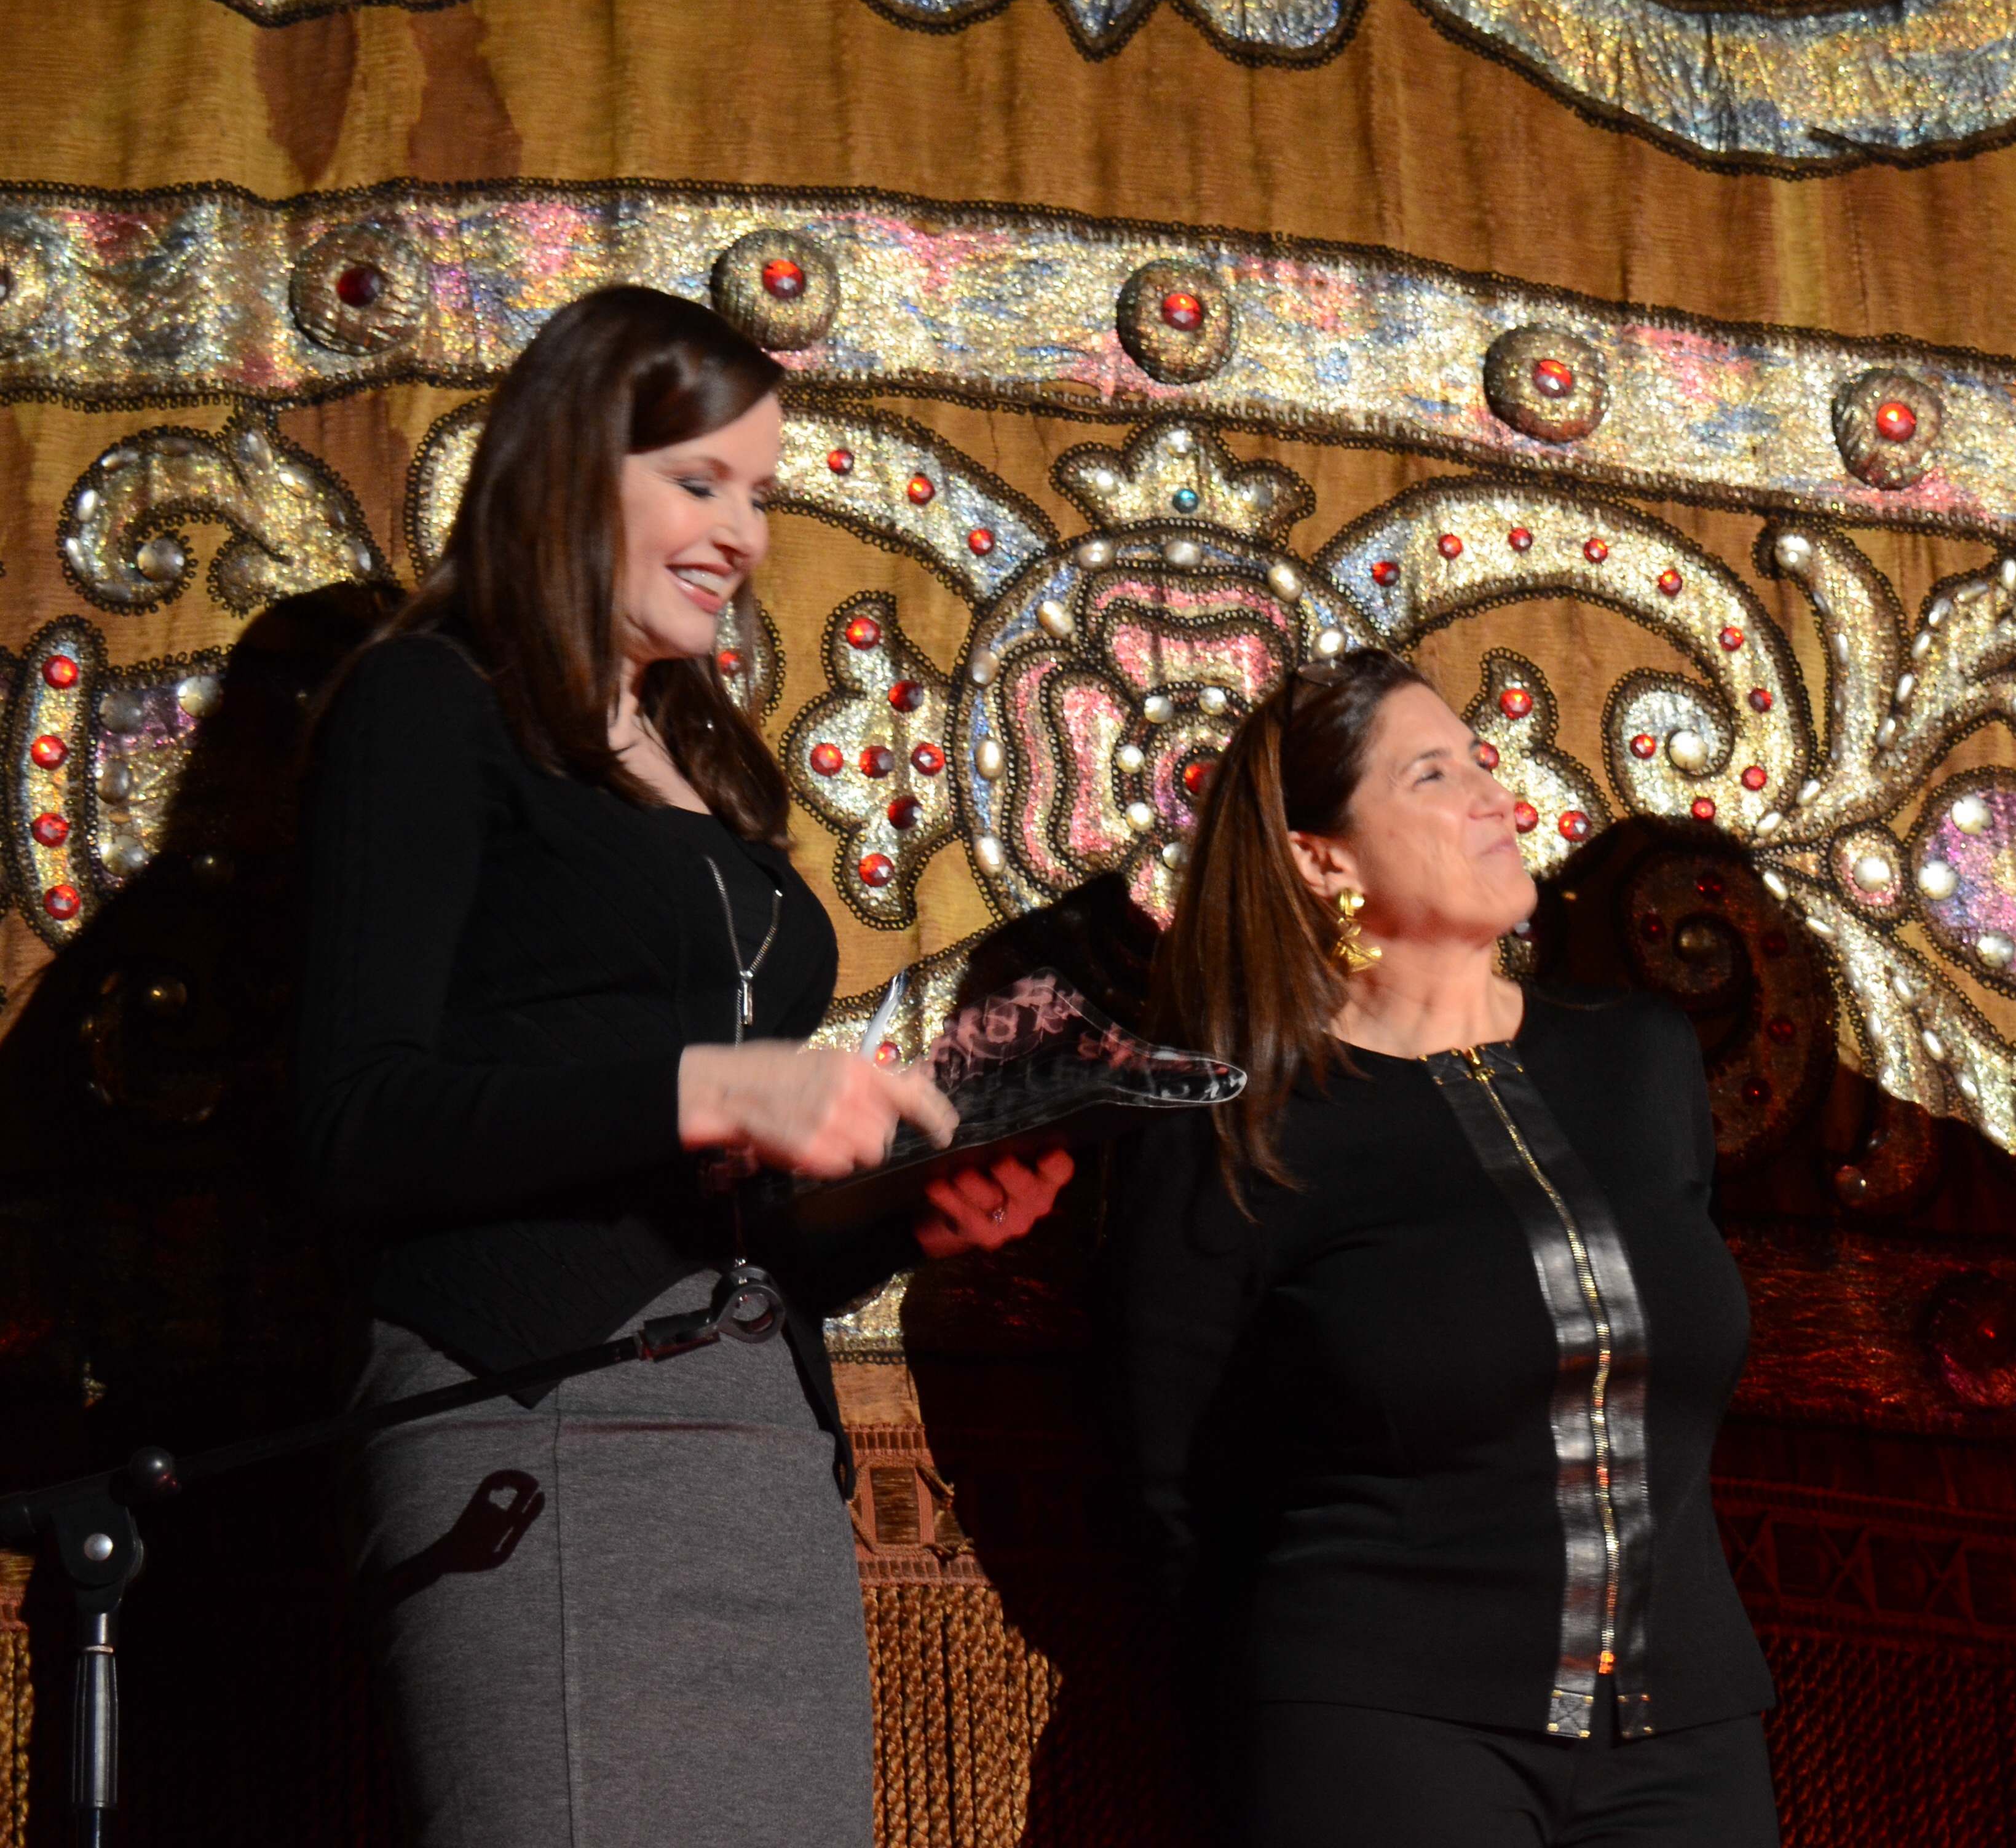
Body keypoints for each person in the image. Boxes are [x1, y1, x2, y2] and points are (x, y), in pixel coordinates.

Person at [294, 284, 1073, 1848]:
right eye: (699, 482)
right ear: (572, 472)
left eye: (762, 494)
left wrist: (906, 1217)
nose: (744, 533)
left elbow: (707, 1222)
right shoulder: (426, 705)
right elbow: (350, 1126)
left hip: (750, 1442)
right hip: (533, 1417)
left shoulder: (703, 756)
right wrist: (714, 1086)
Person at [1105, 649, 1779, 1847]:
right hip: (1378, 1732)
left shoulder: (1636, 1060)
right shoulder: (1234, 1119)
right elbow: (1168, 1489)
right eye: (1433, 774)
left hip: (1686, 1734)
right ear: (1322, 858)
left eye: (1481, 759)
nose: (1493, 794)